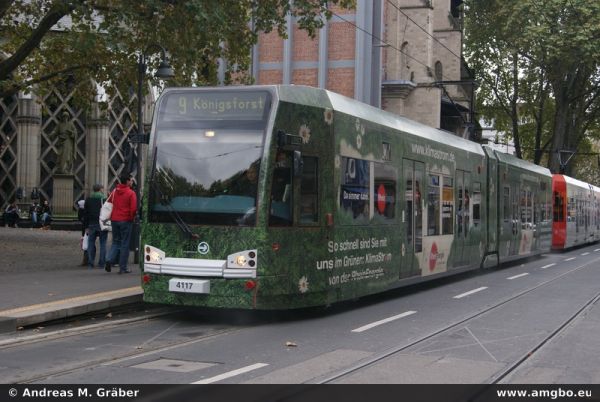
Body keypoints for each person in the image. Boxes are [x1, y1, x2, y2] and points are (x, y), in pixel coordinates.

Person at [105, 172, 137, 274]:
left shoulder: (114, 191)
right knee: (125, 244)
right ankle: (123, 267)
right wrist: (131, 218)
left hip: (114, 220)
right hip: (126, 220)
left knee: (115, 242)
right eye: (131, 180)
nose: (132, 182)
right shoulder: (131, 193)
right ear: (127, 181)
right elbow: (133, 209)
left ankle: (109, 259)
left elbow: (109, 202)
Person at [84, 184, 108, 269]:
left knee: (91, 243)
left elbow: (85, 214)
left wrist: (86, 227)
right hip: (102, 223)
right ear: (101, 189)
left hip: (91, 224)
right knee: (103, 244)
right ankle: (101, 263)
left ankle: (90, 263)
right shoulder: (104, 199)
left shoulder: (88, 200)